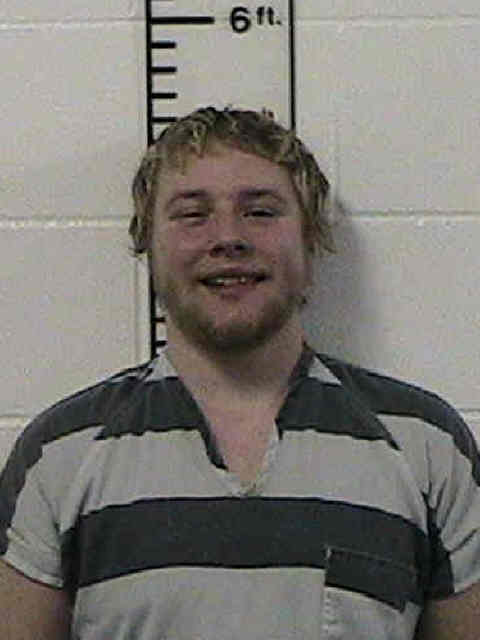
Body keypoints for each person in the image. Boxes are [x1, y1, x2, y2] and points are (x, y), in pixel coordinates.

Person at [0, 106, 479, 640]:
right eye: (192, 214)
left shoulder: (426, 445)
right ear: (148, 245)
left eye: (260, 212)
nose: (228, 237)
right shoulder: (60, 455)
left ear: (311, 241)